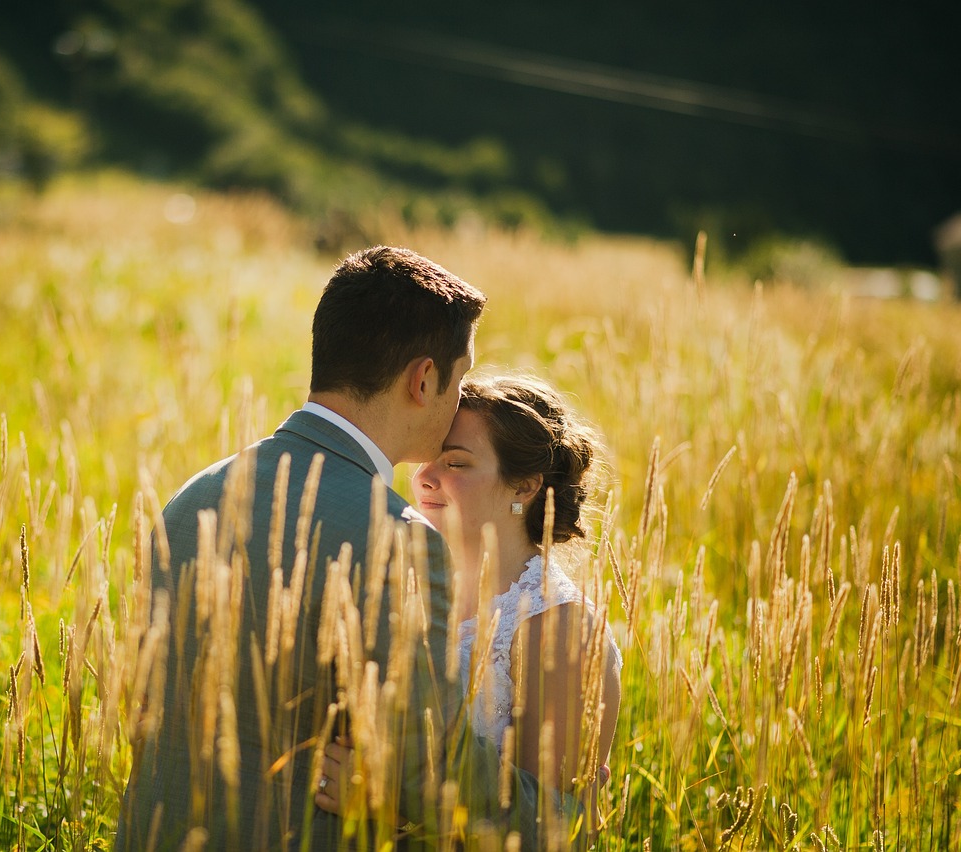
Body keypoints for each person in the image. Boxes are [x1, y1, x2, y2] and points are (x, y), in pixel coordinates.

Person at [115, 247, 550, 850]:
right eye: (459, 378)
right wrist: (555, 813)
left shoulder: (194, 497)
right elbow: (428, 767)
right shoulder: (396, 540)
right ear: (423, 380)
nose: (459, 401)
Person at [316, 374, 623, 840]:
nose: (423, 477)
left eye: (456, 464)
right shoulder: (399, 587)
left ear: (524, 487)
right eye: (426, 460)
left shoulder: (560, 629)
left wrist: (387, 808)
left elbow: (549, 830)